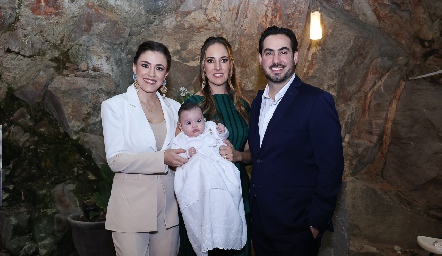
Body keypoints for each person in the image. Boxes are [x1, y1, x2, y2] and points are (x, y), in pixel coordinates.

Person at [248, 25, 344, 256]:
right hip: (261, 226)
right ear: (260, 59)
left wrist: (315, 222)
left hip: (298, 229)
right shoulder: (257, 103)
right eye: (269, 53)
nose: (276, 59)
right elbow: (261, 157)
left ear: (295, 56)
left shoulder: (317, 101)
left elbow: (331, 167)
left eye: (283, 51)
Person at [101, 41, 188, 256]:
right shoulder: (115, 106)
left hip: (168, 212)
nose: (151, 73)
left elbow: (185, 150)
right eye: (145, 65)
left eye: (159, 68)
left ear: (166, 73)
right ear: (134, 67)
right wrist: (162, 159)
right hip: (130, 210)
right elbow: (115, 159)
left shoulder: (175, 108)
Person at [179, 36, 252, 256]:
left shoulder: (243, 106)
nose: (218, 67)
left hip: (238, 191)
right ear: (203, 66)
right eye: (211, 61)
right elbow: (179, 151)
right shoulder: (192, 106)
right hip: (204, 198)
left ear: (231, 65)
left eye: (224, 60)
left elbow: (252, 154)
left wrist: (238, 155)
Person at [172, 102, 247, 256]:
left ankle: (226, 229)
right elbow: (176, 155)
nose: (195, 126)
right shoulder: (181, 140)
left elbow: (223, 136)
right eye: (188, 123)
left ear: (204, 120)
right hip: (198, 178)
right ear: (180, 125)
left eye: (198, 121)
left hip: (219, 171)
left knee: (226, 195)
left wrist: (222, 131)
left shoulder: (211, 127)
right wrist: (188, 153)